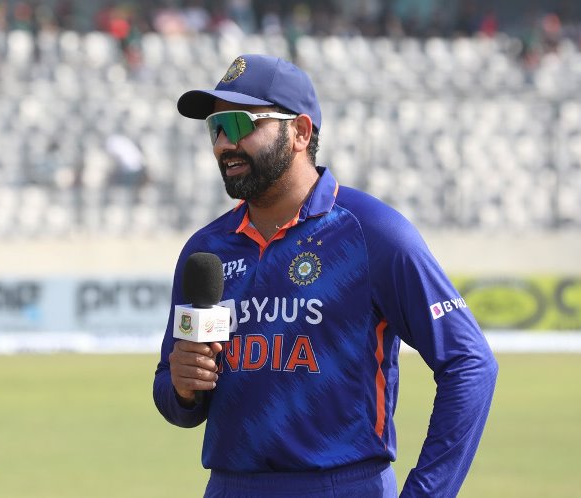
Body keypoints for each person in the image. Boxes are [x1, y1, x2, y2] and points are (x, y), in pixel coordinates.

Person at [153, 54, 498, 497]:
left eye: (238, 124)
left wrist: (427, 492)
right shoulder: (206, 249)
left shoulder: (372, 231)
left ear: (300, 132)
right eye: (215, 129)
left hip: (342, 485)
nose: (223, 144)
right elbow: (175, 398)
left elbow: (470, 363)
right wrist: (182, 387)